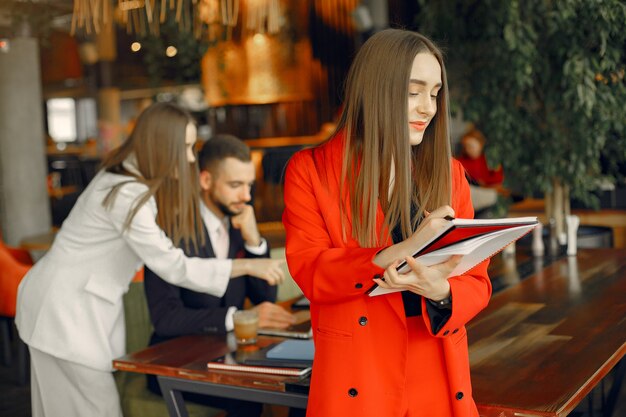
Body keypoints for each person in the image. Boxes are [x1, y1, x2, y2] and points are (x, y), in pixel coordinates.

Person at [15, 103, 281, 417]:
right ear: (161, 145)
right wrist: (249, 264)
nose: (191, 158)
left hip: (66, 310)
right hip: (63, 312)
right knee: (93, 409)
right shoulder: (127, 194)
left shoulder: (127, 182)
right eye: (185, 147)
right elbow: (173, 266)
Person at [282, 29, 492, 417]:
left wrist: (442, 291)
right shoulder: (311, 172)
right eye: (413, 92)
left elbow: (477, 280)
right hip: (358, 374)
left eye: (434, 93)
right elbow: (312, 272)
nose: (428, 108)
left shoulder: (449, 173)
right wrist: (404, 249)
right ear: (375, 89)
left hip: (439, 365)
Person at [144, 134, 295, 416]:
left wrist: (253, 241)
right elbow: (165, 319)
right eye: (235, 185)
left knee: (297, 385)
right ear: (205, 181)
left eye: (249, 185)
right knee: (247, 394)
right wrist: (238, 318)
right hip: (175, 360)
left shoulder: (240, 223)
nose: (247, 197)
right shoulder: (169, 232)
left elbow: (264, 296)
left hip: (228, 354)